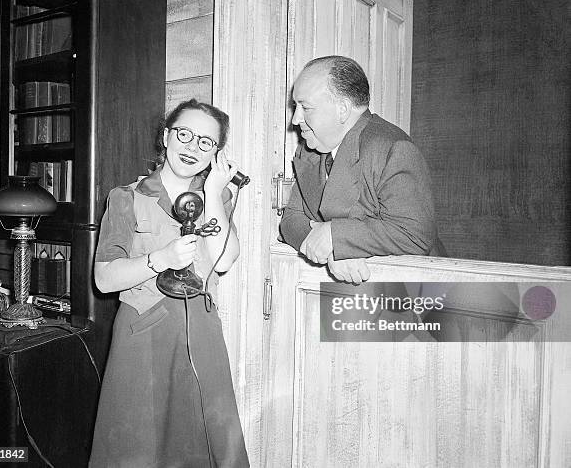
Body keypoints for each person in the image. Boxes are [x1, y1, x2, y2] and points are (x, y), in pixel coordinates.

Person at [89, 99, 249, 467]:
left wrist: (213, 194)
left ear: (217, 153)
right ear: (166, 136)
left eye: (206, 142)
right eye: (184, 134)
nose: (193, 147)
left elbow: (224, 259)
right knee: (136, 448)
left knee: (206, 445)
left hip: (201, 333)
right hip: (143, 333)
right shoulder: (126, 198)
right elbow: (104, 278)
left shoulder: (218, 197)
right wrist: (159, 259)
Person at [280, 56, 445, 283]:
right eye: (296, 107)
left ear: (343, 110)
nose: (296, 119)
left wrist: (335, 237)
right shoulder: (309, 150)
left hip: (411, 294)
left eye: (305, 107)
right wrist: (333, 249)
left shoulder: (393, 149)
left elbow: (415, 234)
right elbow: (291, 220)